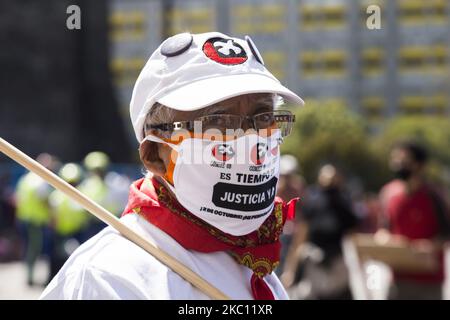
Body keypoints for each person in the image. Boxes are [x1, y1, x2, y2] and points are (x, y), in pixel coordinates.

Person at [40, 32, 304, 299]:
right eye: (219, 123)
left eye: (264, 117)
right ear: (155, 154)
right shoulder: (109, 279)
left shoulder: (249, 258)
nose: (253, 141)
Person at [378, 140, 450, 299]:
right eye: (395, 160)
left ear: (419, 165)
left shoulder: (434, 196)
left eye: (404, 161)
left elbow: (446, 234)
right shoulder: (388, 193)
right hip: (397, 279)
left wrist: (429, 245)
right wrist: (384, 239)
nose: (398, 165)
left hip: (428, 281)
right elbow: (384, 228)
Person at [281, 164, 358, 299]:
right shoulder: (313, 200)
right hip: (314, 258)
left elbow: (352, 232)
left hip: (338, 260)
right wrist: (290, 270)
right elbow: (302, 233)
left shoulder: (344, 202)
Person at [15, 153, 57, 286]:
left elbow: (17, 198)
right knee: (34, 249)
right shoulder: (41, 181)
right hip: (35, 222)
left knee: (28, 248)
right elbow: (45, 202)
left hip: (23, 219)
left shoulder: (26, 179)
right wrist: (52, 218)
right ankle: (30, 278)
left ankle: (29, 275)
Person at [48, 163, 88, 280]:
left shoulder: (57, 195)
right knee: (57, 258)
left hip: (76, 232)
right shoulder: (58, 196)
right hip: (62, 232)